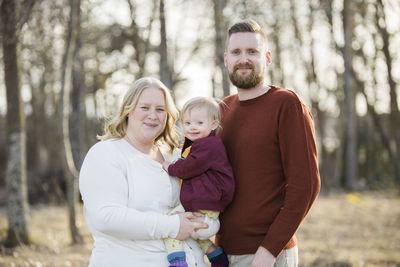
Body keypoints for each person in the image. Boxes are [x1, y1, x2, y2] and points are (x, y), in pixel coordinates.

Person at [79, 77, 220, 267]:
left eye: (160, 109)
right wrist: (174, 226)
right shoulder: (107, 153)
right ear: (128, 110)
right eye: (144, 107)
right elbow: (106, 217)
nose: (153, 115)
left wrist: (206, 223)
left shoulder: (177, 157)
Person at [215, 19, 321, 267]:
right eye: (236, 52)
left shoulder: (287, 104)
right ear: (226, 59)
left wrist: (269, 250)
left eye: (252, 51)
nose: (244, 59)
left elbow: (305, 186)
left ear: (268, 57)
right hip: (222, 253)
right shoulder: (222, 110)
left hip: (266, 256)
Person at [162, 97, 235, 267]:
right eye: (187, 123)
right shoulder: (203, 145)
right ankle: (217, 257)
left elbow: (189, 167)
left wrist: (170, 167)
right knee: (193, 233)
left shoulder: (209, 146)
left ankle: (178, 262)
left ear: (213, 124)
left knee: (171, 226)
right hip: (208, 209)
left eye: (199, 123)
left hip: (205, 206)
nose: (192, 127)